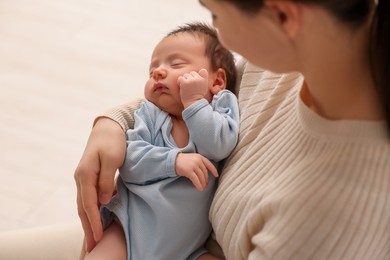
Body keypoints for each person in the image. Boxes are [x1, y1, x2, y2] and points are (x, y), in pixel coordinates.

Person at [75, 0, 390, 259]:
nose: (220, 39)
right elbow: (193, 99)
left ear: (281, 15)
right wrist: (112, 124)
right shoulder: (293, 58)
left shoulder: (319, 232)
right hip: (139, 229)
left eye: (215, 14)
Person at [83, 22, 240, 260]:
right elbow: (131, 163)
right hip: (127, 230)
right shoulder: (150, 114)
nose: (158, 72)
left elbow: (220, 146)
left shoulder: (220, 108)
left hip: (188, 250)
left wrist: (195, 102)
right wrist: (173, 160)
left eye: (175, 64)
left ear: (217, 82)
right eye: (152, 70)